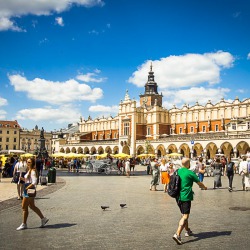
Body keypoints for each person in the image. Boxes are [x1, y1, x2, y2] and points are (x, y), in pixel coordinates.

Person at [172, 158, 207, 245]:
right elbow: (199, 183)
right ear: (188, 164)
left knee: (183, 214)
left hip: (177, 196)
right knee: (185, 216)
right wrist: (205, 187)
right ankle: (177, 234)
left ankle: (187, 230)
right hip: (186, 197)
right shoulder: (190, 173)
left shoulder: (177, 171)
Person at [16, 157, 49, 231]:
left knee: (24, 207)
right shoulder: (30, 170)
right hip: (29, 188)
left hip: (29, 189)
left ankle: (24, 224)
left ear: (33, 163)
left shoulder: (33, 171)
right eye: (27, 162)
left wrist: (27, 188)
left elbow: (34, 182)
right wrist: (23, 179)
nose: (27, 163)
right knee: (32, 206)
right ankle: (43, 219)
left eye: (29, 162)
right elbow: (29, 180)